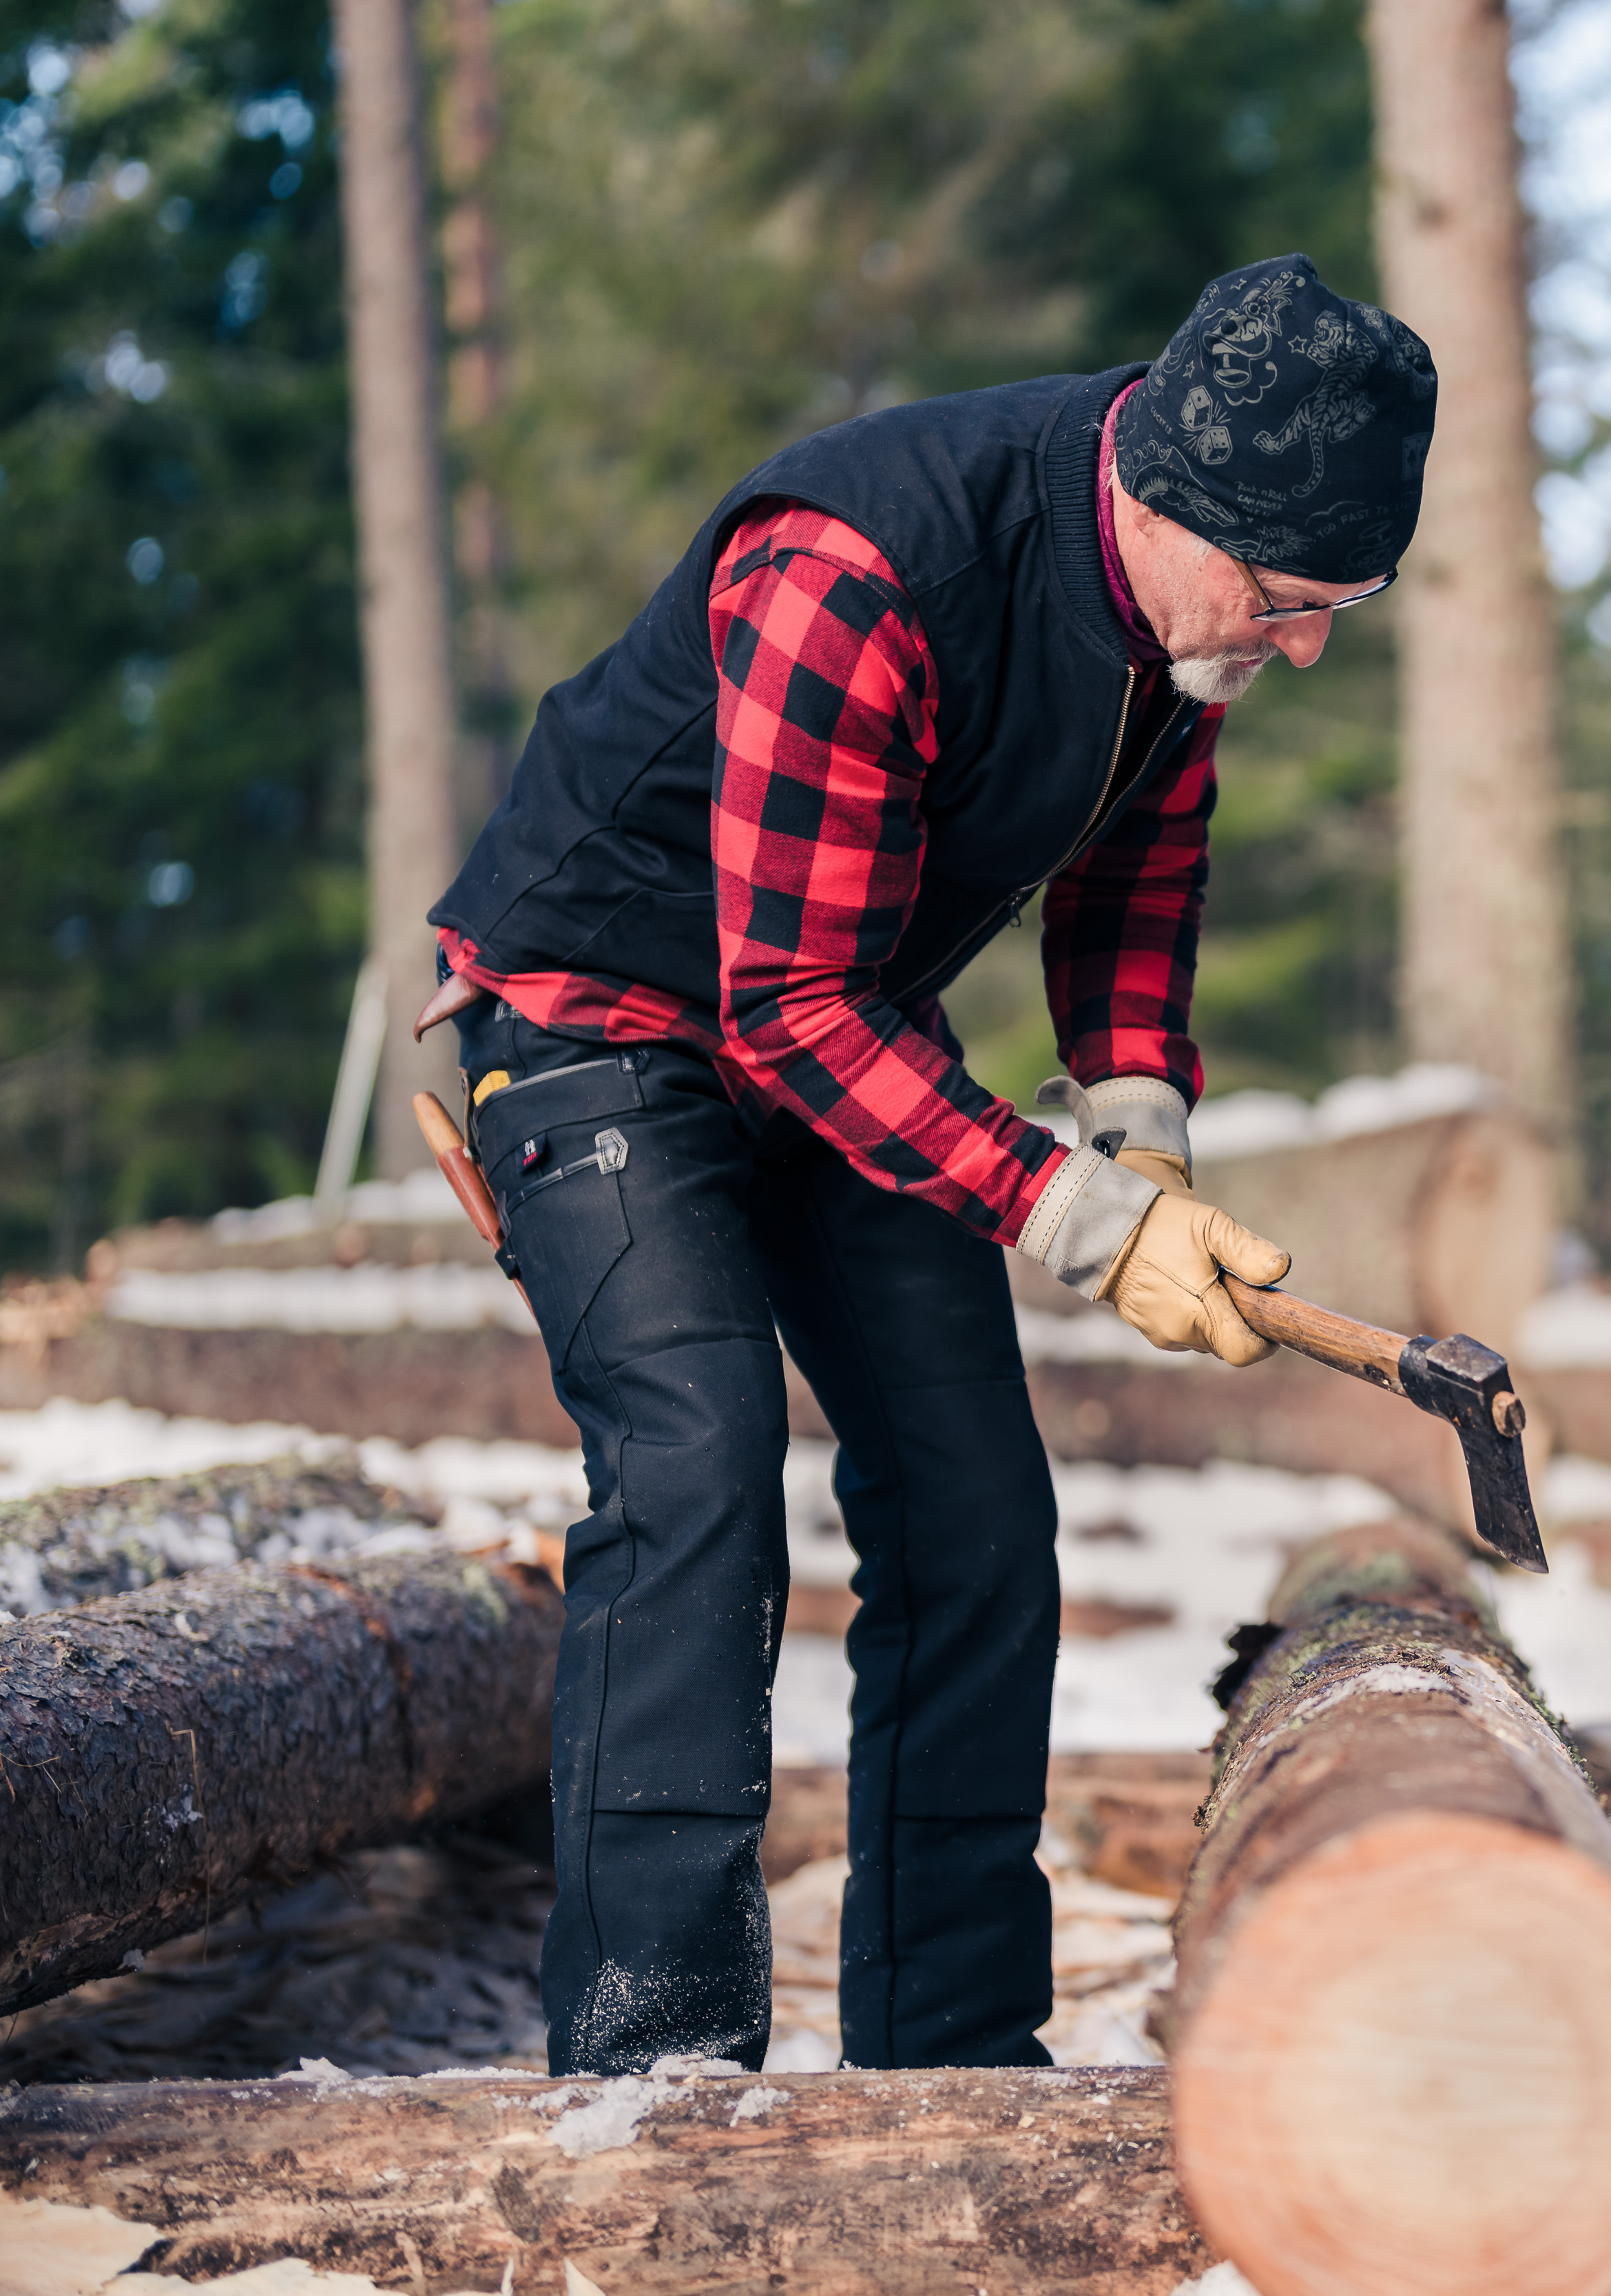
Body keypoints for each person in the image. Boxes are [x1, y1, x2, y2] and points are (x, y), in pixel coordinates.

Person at [415, 254, 1434, 2076]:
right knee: (699, 1465)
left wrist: (1138, 1115)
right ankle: (654, 2059)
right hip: (606, 1013)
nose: (1304, 644)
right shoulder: (864, 571)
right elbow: (781, 1002)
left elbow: (1137, 873)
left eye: (1342, 604)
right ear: (1171, 500)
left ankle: (952, 2050)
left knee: (976, 1511)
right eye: (1290, 601)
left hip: (835, 1019)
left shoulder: (1175, 625)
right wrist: (1067, 1211)